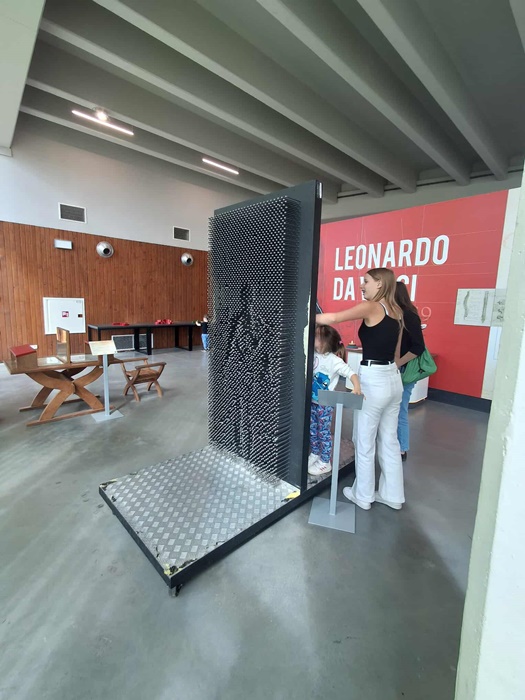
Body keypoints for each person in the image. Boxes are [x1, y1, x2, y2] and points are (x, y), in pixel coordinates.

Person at [316, 268, 404, 510]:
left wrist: (307, 316)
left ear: (380, 283)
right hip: (393, 378)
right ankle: (393, 496)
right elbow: (396, 352)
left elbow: (334, 318)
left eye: (366, 281)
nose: (362, 285)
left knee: (364, 441)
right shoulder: (396, 311)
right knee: (389, 440)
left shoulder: (372, 307)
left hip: (374, 379)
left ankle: (363, 496)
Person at [309, 324, 362, 477]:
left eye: (317, 335)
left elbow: (351, 373)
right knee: (312, 430)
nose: (313, 337)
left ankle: (325, 462)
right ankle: (315, 453)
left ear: (325, 341)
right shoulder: (313, 354)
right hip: (312, 402)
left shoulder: (334, 361)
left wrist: (357, 387)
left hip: (325, 405)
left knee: (323, 432)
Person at [395, 281, 425, 461]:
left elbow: (418, 347)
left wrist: (399, 362)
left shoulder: (409, 316)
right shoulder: (397, 315)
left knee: (400, 410)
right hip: (397, 369)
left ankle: (402, 448)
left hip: (404, 371)